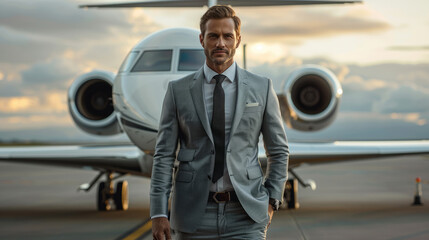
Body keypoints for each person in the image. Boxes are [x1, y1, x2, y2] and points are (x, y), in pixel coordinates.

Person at [150, 5, 289, 240]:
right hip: (193, 215)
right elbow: (164, 155)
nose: (220, 43)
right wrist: (158, 212)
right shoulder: (178, 91)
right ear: (202, 39)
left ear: (238, 40)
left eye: (227, 36)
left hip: (246, 215)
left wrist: (272, 201)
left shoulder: (261, 88)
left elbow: (278, 150)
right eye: (213, 36)